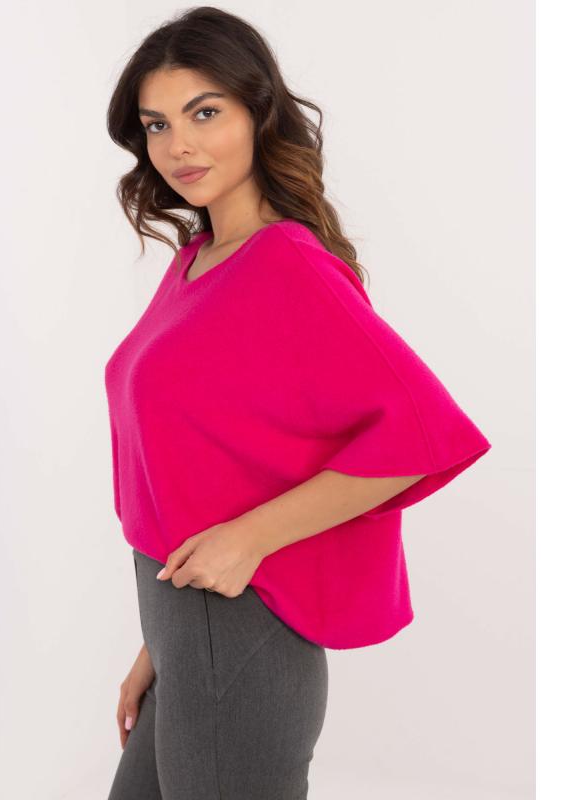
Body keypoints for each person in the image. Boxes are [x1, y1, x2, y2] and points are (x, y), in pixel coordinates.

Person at [104, 8, 492, 799]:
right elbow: (212, 470)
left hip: (242, 643)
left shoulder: (286, 263)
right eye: (157, 124)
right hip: (189, 638)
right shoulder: (197, 262)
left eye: (204, 113)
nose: (178, 146)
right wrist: (160, 646)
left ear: (258, 113)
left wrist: (248, 540)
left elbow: (424, 433)